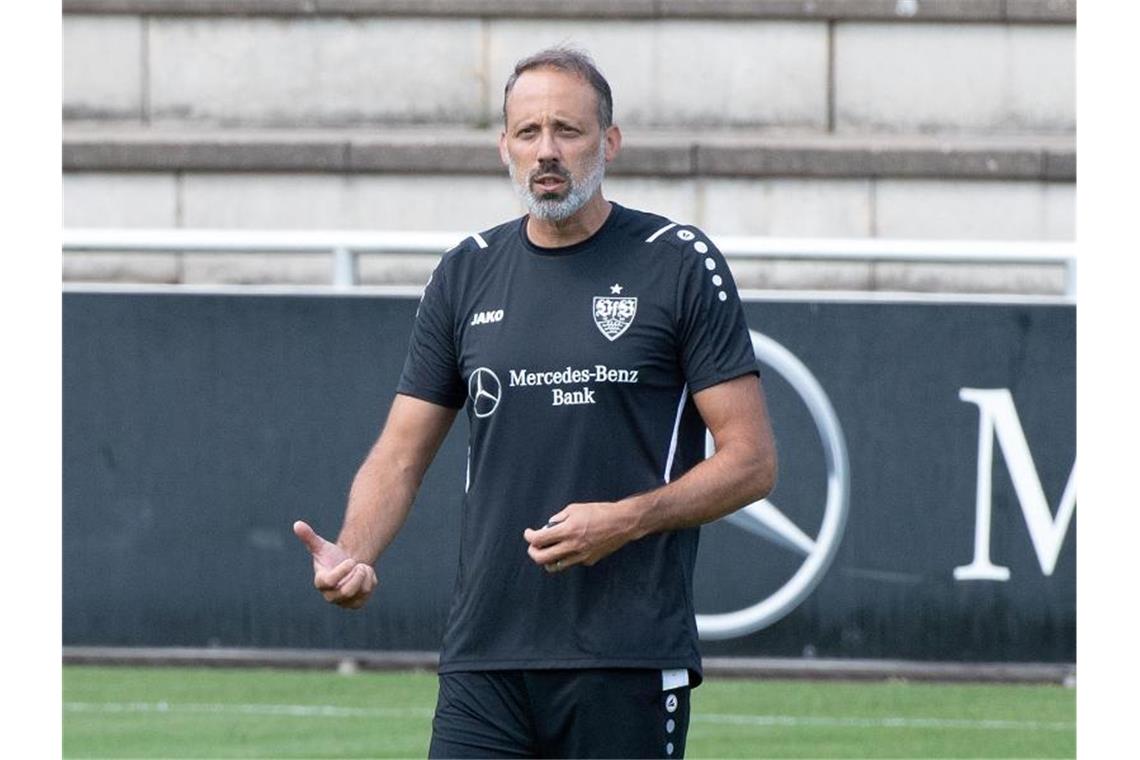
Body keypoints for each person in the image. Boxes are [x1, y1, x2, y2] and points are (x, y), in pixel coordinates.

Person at [293, 47, 777, 758]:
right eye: (528, 133)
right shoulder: (465, 272)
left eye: (567, 131)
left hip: (625, 657)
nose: (546, 151)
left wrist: (627, 519)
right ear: (504, 148)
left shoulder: (677, 262)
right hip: (484, 657)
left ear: (608, 142)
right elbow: (400, 455)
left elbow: (752, 462)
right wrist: (354, 553)